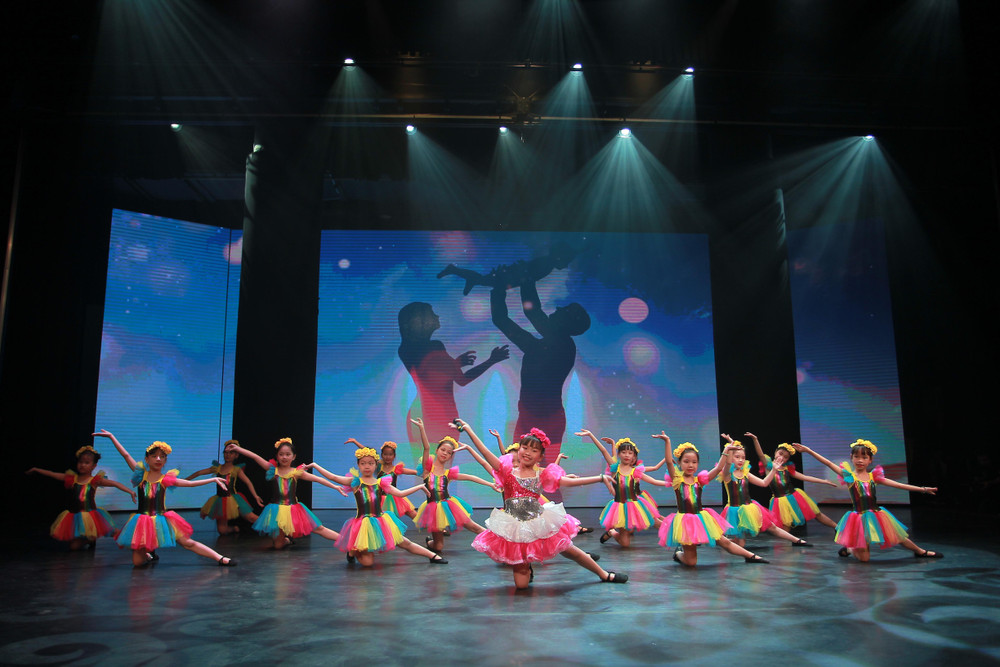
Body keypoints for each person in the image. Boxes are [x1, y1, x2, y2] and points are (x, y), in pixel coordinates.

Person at [458, 420, 627, 588]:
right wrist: (469, 430)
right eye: (525, 448)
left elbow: (567, 482)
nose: (528, 453)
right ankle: (527, 566)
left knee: (571, 551)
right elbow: (485, 452)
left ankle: (604, 574)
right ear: (519, 449)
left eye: (534, 450)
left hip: (538, 523)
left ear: (540, 456)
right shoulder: (507, 471)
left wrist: (599, 478)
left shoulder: (542, 474)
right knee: (521, 586)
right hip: (515, 528)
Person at [490, 281, 590, 487]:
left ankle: (549, 509)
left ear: (567, 322)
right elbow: (521, 315)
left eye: (565, 310)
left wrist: (520, 280)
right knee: (519, 474)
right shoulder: (553, 343)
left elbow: (528, 313)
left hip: (547, 421)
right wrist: (511, 284)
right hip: (530, 416)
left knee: (545, 479)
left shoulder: (559, 345)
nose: (558, 308)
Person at [92, 430, 236, 567]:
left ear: (165, 460)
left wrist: (213, 479)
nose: (158, 459)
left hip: (162, 519)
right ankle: (148, 555)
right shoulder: (141, 475)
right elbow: (126, 455)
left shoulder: (165, 479)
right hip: (142, 520)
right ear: (147, 459)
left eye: (162, 456)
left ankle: (220, 558)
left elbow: (190, 484)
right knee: (137, 562)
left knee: (187, 543)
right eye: (154, 456)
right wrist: (111, 437)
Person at [794, 440, 943, 561]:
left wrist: (923, 489)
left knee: (898, 536)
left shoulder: (874, 477)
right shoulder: (849, 476)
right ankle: (850, 549)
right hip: (858, 517)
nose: (860, 460)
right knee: (864, 559)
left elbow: (899, 485)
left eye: (864, 457)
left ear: (870, 460)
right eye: (857, 457)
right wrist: (809, 451)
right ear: (851, 458)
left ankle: (920, 551)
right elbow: (828, 463)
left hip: (877, 514)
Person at [398, 302, 509, 454]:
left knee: (427, 463)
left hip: (425, 413)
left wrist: (455, 364)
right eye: (431, 313)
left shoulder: (405, 349)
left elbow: (434, 375)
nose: (437, 316)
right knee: (440, 463)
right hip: (440, 414)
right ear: (419, 320)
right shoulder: (434, 346)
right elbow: (461, 380)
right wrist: (491, 360)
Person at [306, 448, 447, 566]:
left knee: (404, 542)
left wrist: (419, 487)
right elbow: (333, 477)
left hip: (381, 520)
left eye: (370, 463)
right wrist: (315, 466)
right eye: (363, 463)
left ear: (375, 465)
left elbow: (400, 493)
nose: (367, 466)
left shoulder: (381, 483)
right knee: (368, 563)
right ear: (358, 465)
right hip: (363, 524)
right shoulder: (355, 482)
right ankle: (353, 550)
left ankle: (432, 556)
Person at [652, 432, 768, 566]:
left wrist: (726, 451)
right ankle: (678, 554)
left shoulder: (700, 481)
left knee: (724, 541)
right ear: (679, 463)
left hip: (702, 518)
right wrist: (667, 441)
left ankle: (751, 556)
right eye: (686, 462)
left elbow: (718, 468)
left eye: (694, 462)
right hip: (685, 521)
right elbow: (668, 462)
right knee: (691, 562)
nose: (690, 465)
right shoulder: (677, 480)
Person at [225, 438, 344, 550]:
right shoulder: (273, 470)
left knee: (319, 529)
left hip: (293, 509)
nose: (284, 457)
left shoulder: (296, 472)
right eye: (281, 454)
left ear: (293, 456)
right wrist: (237, 449)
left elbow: (318, 479)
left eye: (288, 454)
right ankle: (287, 540)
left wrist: (335, 486)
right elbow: (255, 457)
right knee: (278, 546)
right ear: (277, 456)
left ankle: (346, 540)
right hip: (276, 510)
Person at [410, 418, 498, 554]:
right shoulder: (427, 470)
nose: (445, 453)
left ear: (451, 456)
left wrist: (490, 484)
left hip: (449, 505)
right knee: (438, 547)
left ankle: (497, 542)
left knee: (474, 527)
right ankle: (430, 542)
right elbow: (426, 447)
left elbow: (470, 477)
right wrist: (422, 429)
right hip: (433, 509)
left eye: (449, 452)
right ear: (437, 450)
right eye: (443, 450)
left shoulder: (448, 474)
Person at [26, 445, 135, 549]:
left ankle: (131, 539)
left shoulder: (94, 481)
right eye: (80, 462)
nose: (82, 465)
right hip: (76, 516)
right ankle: (90, 539)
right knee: (73, 547)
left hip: (92, 515)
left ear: (93, 466)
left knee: (113, 531)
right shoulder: (72, 479)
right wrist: (36, 469)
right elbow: (52, 474)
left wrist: (130, 491)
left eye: (86, 463)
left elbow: (114, 484)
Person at [717, 434, 812, 548]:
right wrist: (731, 444)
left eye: (743, 457)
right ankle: (726, 542)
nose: (741, 460)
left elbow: (764, 483)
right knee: (741, 543)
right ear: (731, 457)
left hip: (750, 508)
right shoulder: (727, 474)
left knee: (772, 527)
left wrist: (774, 470)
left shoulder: (746, 473)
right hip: (735, 511)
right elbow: (727, 463)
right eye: (737, 457)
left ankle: (797, 540)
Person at [575, 429, 666, 547]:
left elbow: (654, 481)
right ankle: (612, 532)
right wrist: (590, 435)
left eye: (630, 453)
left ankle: (682, 541)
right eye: (623, 452)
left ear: (633, 456)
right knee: (625, 544)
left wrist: (672, 483)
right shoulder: (614, 469)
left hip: (636, 505)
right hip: (620, 507)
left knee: (659, 523)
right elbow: (603, 450)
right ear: (619, 454)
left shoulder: (635, 471)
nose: (627, 455)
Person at [747, 433, 839, 530]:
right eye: (780, 454)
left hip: (794, 496)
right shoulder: (768, 465)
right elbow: (760, 454)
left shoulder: (787, 468)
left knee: (817, 514)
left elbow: (804, 477)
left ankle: (837, 527)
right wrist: (755, 439)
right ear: (775, 452)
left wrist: (824, 481)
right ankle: (788, 539)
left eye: (786, 457)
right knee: (786, 524)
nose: (782, 458)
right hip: (780, 501)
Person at [437, 243, 579, 295]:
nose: (565, 266)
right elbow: (528, 273)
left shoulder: (547, 263)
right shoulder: (547, 264)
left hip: (511, 277)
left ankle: (469, 279)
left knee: (483, 280)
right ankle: (455, 270)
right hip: (510, 277)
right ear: (560, 257)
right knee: (483, 280)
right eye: (566, 261)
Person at [186, 440, 263, 535]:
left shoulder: (236, 469)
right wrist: (185, 480)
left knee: (251, 517)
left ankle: (271, 528)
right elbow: (199, 473)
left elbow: (248, 482)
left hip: (234, 499)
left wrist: (255, 496)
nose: (228, 455)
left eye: (231, 453)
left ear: (236, 455)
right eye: (225, 452)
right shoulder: (217, 468)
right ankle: (234, 529)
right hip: (220, 500)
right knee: (222, 530)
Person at [345, 437, 418, 520]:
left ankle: (424, 524)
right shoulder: (379, 466)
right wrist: (355, 442)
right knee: (385, 519)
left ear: (394, 456)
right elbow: (368, 452)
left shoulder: (396, 469)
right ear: (382, 455)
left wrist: (424, 473)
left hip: (395, 497)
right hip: (380, 498)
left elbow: (414, 472)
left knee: (412, 513)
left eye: (390, 454)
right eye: (385, 454)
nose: (387, 457)